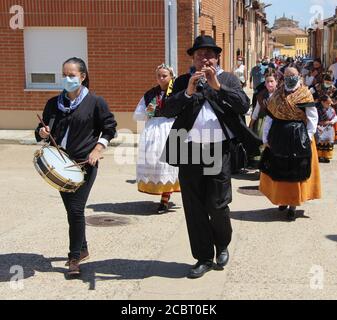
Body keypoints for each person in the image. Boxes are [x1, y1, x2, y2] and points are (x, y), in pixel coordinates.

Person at [160, 35, 261, 279]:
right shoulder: (183, 80)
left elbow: (243, 105)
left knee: (217, 204)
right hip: (188, 150)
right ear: (193, 59)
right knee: (194, 207)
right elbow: (167, 109)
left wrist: (217, 86)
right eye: (198, 55)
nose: (203, 59)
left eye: (208, 55)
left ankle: (222, 244)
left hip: (217, 149)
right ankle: (203, 257)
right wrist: (188, 91)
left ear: (217, 58)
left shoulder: (227, 78)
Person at [35, 57, 117, 276]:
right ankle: (83, 247)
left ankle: (74, 258)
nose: (67, 79)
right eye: (64, 74)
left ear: (82, 77)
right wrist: (41, 132)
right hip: (59, 165)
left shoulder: (95, 102)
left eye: (72, 75)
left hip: (84, 164)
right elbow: (42, 129)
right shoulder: (54, 103)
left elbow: (110, 128)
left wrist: (98, 149)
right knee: (71, 212)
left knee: (76, 209)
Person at [259, 67, 321, 221]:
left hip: (298, 136)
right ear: (283, 77)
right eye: (287, 75)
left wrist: (309, 135)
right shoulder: (277, 95)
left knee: (296, 171)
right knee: (279, 169)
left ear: (298, 76)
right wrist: (265, 137)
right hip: (279, 135)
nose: (290, 77)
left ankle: (293, 205)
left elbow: (312, 116)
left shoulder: (305, 95)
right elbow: (270, 117)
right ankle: (283, 200)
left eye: (293, 75)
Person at [133, 64, 180, 214]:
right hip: (153, 131)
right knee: (155, 163)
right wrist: (151, 112)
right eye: (159, 75)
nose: (161, 78)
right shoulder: (150, 94)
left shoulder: (177, 92)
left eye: (164, 75)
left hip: (171, 127)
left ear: (171, 76)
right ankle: (162, 191)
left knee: (170, 164)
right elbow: (139, 114)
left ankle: (165, 200)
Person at [248, 69, 278, 166]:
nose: (269, 84)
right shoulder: (261, 95)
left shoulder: (281, 95)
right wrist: (251, 124)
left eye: (271, 81)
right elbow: (256, 110)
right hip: (262, 122)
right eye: (267, 82)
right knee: (262, 144)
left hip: (277, 122)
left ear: (276, 82)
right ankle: (262, 169)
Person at [315, 95, 337, 163]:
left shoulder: (331, 109)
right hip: (320, 128)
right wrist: (317, 126)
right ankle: (319, 156)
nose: (329, 104)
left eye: (330, 103)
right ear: (322, 102)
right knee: (320, 141)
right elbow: (314, 119)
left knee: (328, 142)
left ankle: (326, 156)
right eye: (328, 103)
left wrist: (332, 121)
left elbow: (335, 117)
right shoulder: (317, 109)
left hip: (329, 128)